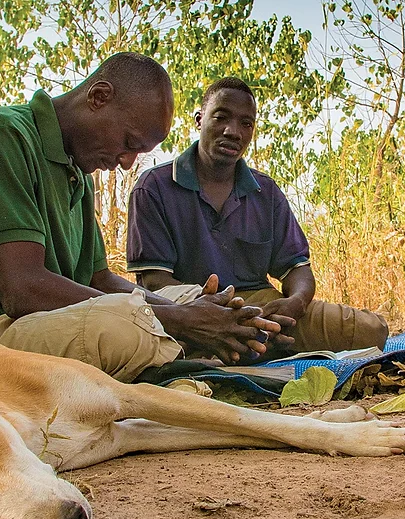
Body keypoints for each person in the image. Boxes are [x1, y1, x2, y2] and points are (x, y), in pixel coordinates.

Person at [0, 53, 286, 381]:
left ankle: (196, 348)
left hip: (46, 320)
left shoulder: (77, 171)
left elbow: (100, 279)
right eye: (129, 143)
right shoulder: (1, 136)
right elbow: (23, 290)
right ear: (98, 97)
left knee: (192, 298)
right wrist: (179, 320)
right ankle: (181, 354)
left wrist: (192, 312)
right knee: (123, 330)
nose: (127, 163)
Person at [126, 77, 388, 358]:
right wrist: (223, 317)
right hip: (192, 315)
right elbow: (155, 283)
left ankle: (256, 347)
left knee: (370, 330)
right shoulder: (154, 187)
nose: (233, 131)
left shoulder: (266, 192)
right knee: (148, 347)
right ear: (199, 120)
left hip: (263, 311)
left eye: (246, 123)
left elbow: (297, 269)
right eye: (221, 117)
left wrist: (296, 303)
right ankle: (240, 350)